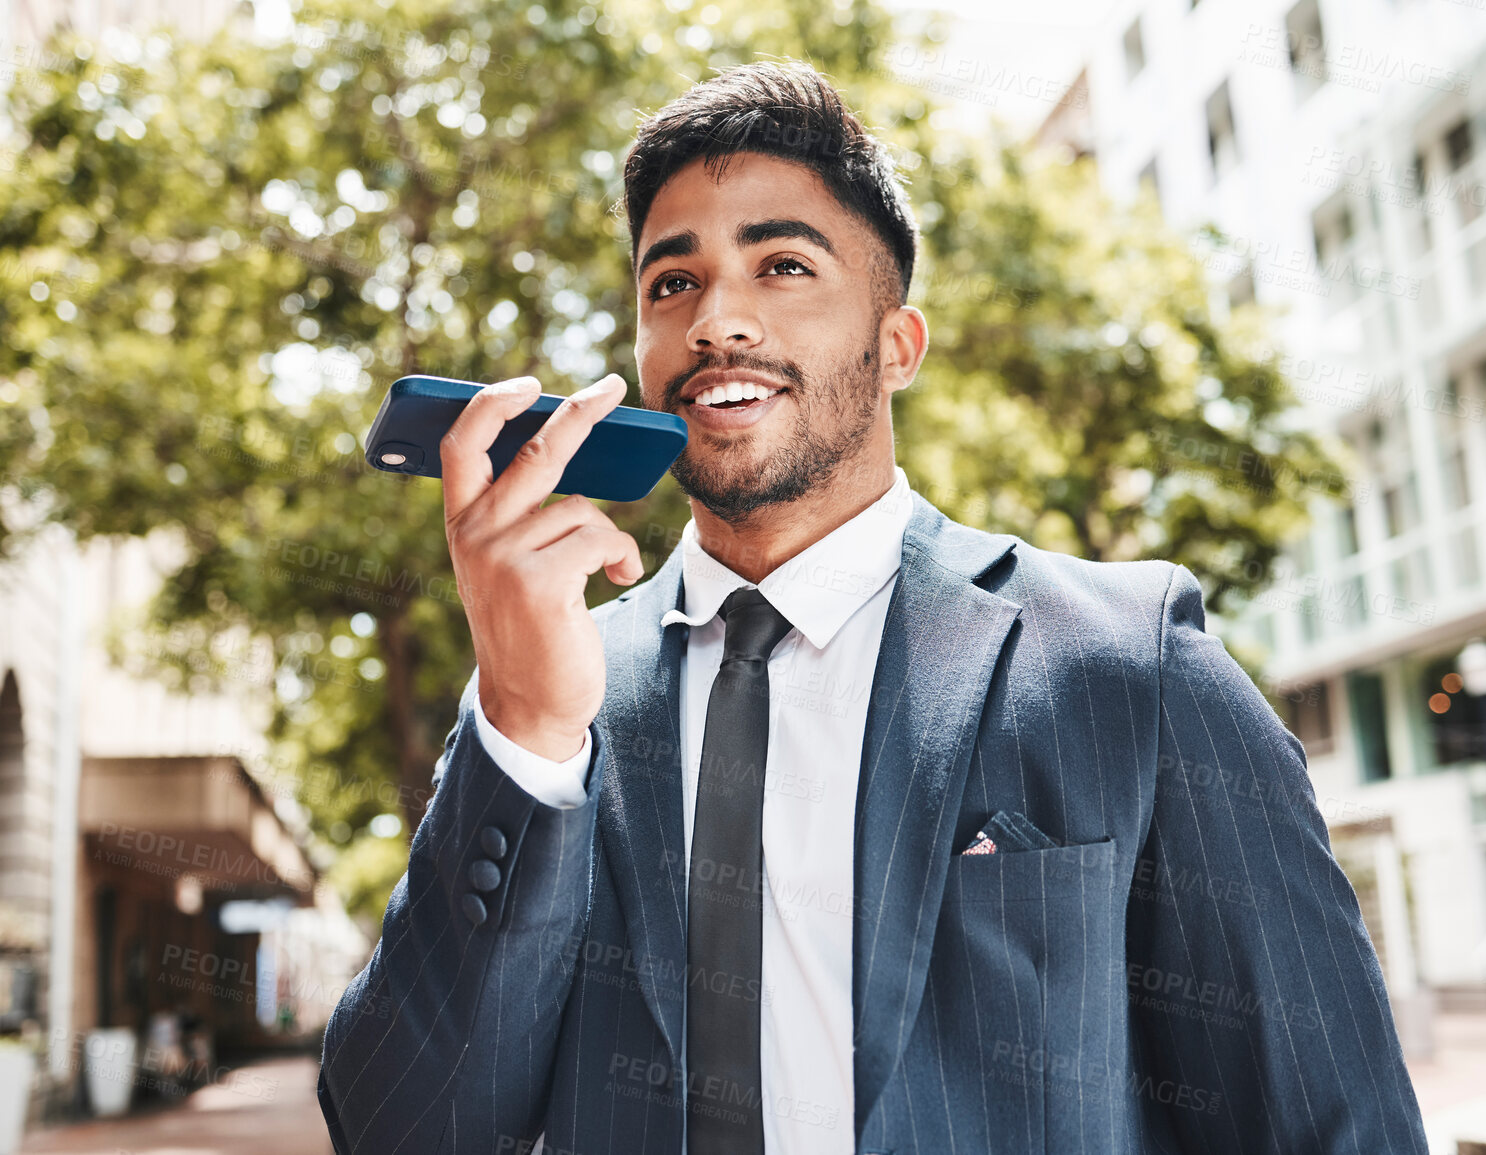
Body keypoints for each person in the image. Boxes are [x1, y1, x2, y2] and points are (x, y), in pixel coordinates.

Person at [317, 61, 1428, 1155]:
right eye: (673, 284)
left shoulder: (1127, 666)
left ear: (896, 346)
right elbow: (403, 1129)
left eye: (784, 266)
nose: (718, 321)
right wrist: (520, 729)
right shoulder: (552, 705)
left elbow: (1334, 1124)